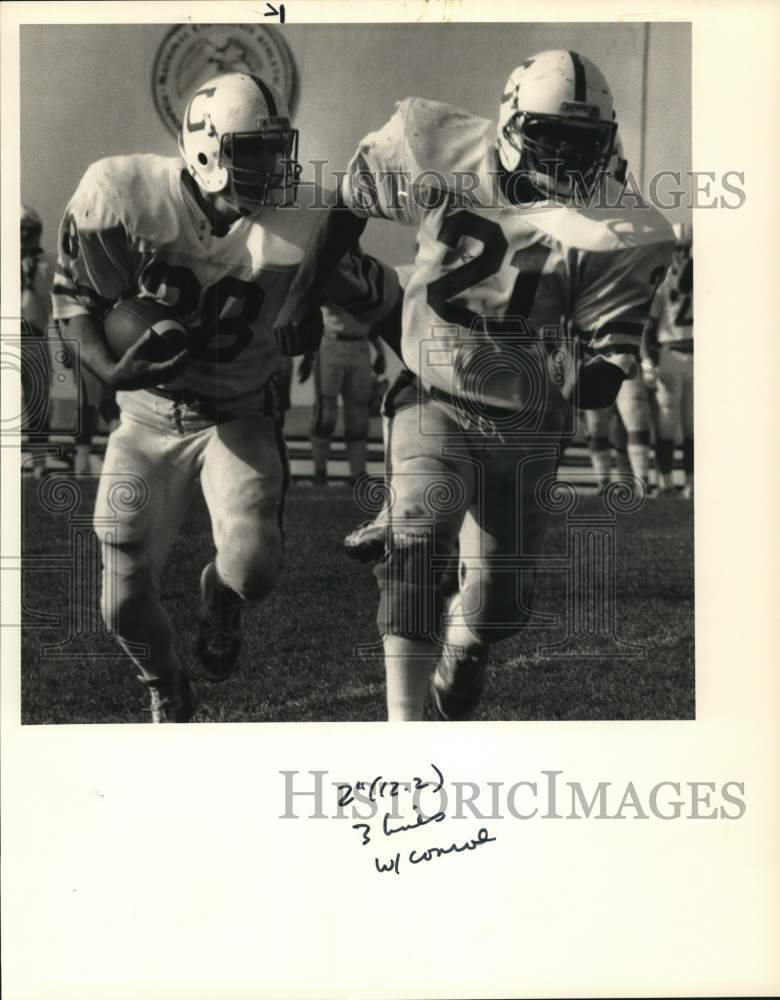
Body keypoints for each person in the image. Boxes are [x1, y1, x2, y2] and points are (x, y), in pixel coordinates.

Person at [275, 49, 674, 721]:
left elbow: (601, 380)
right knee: (420, 536)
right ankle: (407, 735)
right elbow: (350, 202)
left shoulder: (622, 228)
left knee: (497, 609)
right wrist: (301, 295)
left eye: (583, 142)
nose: (566, 157)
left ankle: (466, 651)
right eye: (551, 137)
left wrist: (586, 376)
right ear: (512, 125)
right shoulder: (438, 145)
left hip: (528, 420)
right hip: (435, 389)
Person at [52, 72, 399, 722]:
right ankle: (166, 685)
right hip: (149, 415)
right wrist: (110, 368)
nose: (272, 164)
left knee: (253, 570)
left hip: (240, 413)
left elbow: (384, 301)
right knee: (120, 602)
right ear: (207, 149)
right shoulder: (122, 196)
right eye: (253, 149)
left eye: (276, 147)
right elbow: (77, 300)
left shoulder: (303, 218)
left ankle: (220, 595)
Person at [298, 302, 386, 485]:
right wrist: (309, 352)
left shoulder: (370, 274)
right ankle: (320, 473)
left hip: (360, 344)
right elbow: (311, 308)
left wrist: (380, 351)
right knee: (326, 416)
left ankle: (358, 474)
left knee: (358, 416)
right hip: (331, 343)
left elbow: (372, 316)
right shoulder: (328, 275)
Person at [643, 223, 693, 498]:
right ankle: (665, 482)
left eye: (685, 249)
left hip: (692, 356)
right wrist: (647, 360)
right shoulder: (663, 280)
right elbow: (647, 328)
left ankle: (690, 483)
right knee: (667, 424)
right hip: (671, 353)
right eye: (679, 249)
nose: (682, 254)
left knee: (690, 425)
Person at [20, 204, 55, 479]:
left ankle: (39, 463)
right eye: (20, 229)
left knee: (39, 402)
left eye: (29, 230)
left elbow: (55, 307)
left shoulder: (47, 266)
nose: (24, 235)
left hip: (34, 337)